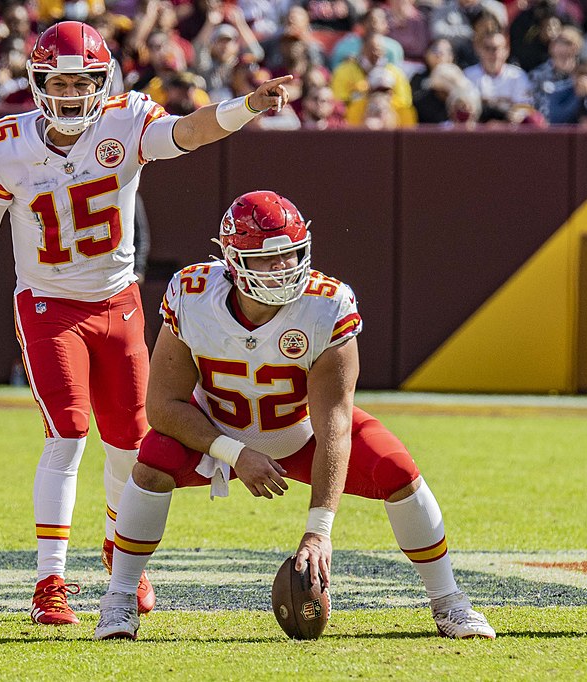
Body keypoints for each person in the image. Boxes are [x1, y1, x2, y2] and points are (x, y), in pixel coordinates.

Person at [0, 20, 291, 626]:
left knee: (130, 443)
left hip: (119, 302)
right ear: (38, 84)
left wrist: (244, 107)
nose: (75, 94)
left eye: (85, 82)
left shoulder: (124, 122)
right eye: (62, 82)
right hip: (50, 306)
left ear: (103, 82)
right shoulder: (5, 146)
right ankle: (49, 580)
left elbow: (188, 132)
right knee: (69, 435)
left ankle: (119, 550)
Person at [94, 191, 496, 641]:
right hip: (213, 432)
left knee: (397, 469)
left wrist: (318, 531)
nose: (283, 269)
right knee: (152, 462)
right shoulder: (194, 294)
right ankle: (120, 598)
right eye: (269, 260)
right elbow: (162, 407)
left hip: (299, 433)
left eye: (290, 256)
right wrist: (234, 453)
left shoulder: (326, 306)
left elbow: (336, 426)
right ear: (233, 259)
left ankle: (449, 601)